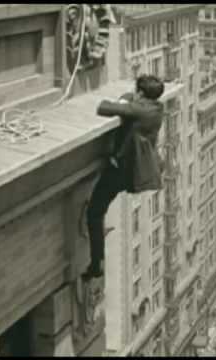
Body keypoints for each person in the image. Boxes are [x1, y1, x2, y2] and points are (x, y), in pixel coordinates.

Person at [82, 75, 165, 281]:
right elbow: (128, 99)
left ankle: (96, 263)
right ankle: (97, 259)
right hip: (135, 169)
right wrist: (129, 98)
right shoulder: (156, 109)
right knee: (100, 207)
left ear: (141, 93)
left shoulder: (138, 110)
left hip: (122, 170)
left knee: (95, 212)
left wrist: (126, 101)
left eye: (136, 90)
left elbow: (103, 107)